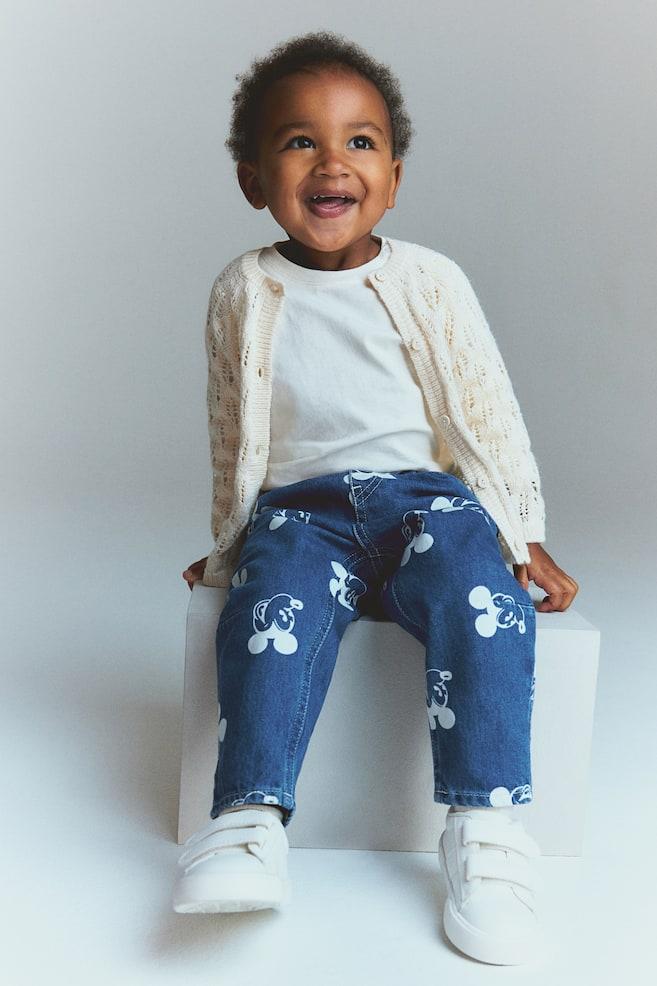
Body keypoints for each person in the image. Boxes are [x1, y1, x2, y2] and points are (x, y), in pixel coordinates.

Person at [172, 30, 578, 965]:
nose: (331, 162)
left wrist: (520, 533)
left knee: (482, 601)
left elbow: (487, 413)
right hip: (299, 509)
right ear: (252, 180)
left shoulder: (429, 281)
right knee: (266, 614)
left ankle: (485, 827)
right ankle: (247, 820)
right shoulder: (242, 290)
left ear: (391, 179)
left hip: (426, 500)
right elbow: (232, 431)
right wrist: (231, 546)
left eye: (360, 142)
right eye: (299, 141)